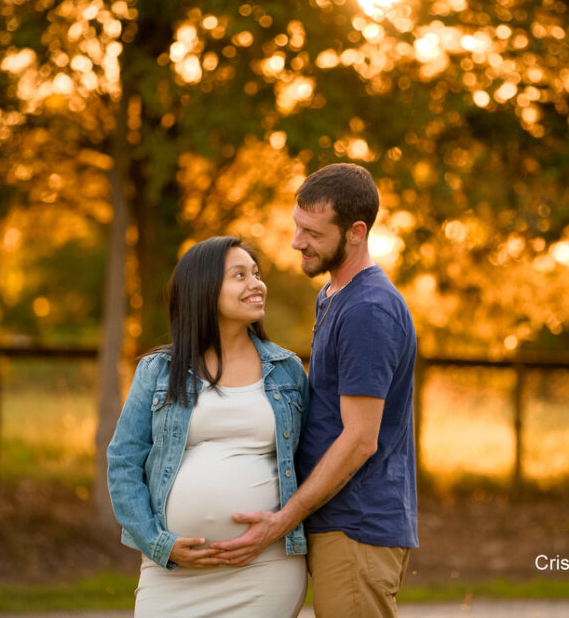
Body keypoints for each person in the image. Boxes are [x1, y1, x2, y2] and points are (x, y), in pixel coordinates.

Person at [212, 164, 418, 618]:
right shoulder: (335, 295)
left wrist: (283, 519)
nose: (296, 241)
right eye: (296, 226)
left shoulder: (368, 310)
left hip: (357, 528)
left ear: (356, 232)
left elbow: (361, 438)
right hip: (337, 525)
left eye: (312, 232)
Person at [106, 236, 309, 618]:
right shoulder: (158, 371)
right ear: (204, 288)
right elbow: (123, 462)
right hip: (172, 573)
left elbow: (310, 464)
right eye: (239, 275)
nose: (256, 283)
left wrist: (283, 523)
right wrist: (157, 543)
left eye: (256, 273)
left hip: (263, 568)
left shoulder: (287, 371)